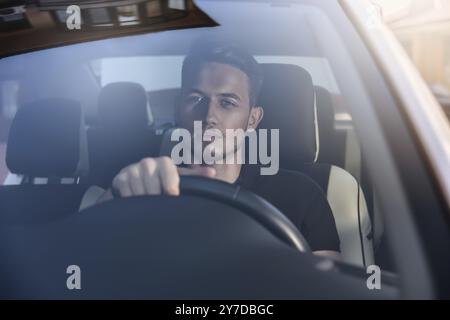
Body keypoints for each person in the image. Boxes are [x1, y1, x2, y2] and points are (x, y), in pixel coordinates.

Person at [85, 40, 340, 257]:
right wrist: (114, 201)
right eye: (196, 99)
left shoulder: (302, 197)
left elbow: (328, 291)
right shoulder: (146, 189)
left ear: (253, 119)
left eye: (227, 103)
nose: (208, 116)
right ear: (177, 109)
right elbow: (92, 269)